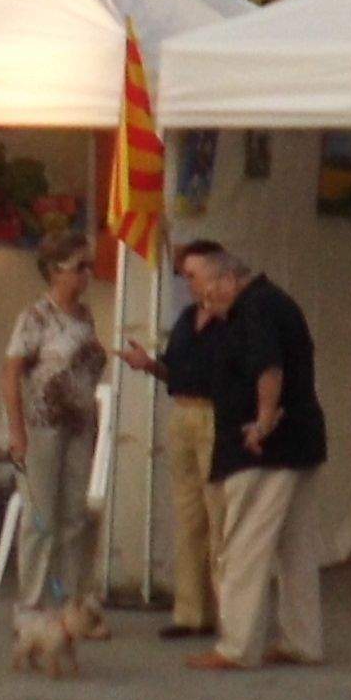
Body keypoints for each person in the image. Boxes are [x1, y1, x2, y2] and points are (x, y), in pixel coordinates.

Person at [184, 243, 325, 673]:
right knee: (295, 548)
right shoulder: (274, 301)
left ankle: (237, 646)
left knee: (244, 545)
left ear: (229, 279)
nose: (206, 300)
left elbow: (269, 368)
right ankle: (302, 641)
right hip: (300, 442)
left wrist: (262, 423)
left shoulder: (255, 308)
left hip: (265, 449)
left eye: (209, 290)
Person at [117, 239, 233, 635]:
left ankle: (228, 613)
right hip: (182, 412)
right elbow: (174, 369)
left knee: (220, 516)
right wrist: (149, 365)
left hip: (216, 415)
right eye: (185, 276)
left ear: (216, 276)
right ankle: (190, 612)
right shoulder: (187, 318)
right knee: (188, 517)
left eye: (193, 275)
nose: (189, 283)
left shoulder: (233, 320)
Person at [0, 230, 109, 616]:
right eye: (79, 267)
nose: (86, 276)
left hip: (79, 426)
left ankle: (67, 599)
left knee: (74, 517)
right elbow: (11, 372)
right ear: (55, 272)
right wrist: (16, 431)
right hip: (41, 427)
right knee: (40, 516)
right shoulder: (35, 318)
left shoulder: (85, 317)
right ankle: (31, 601)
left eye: (89, 267)